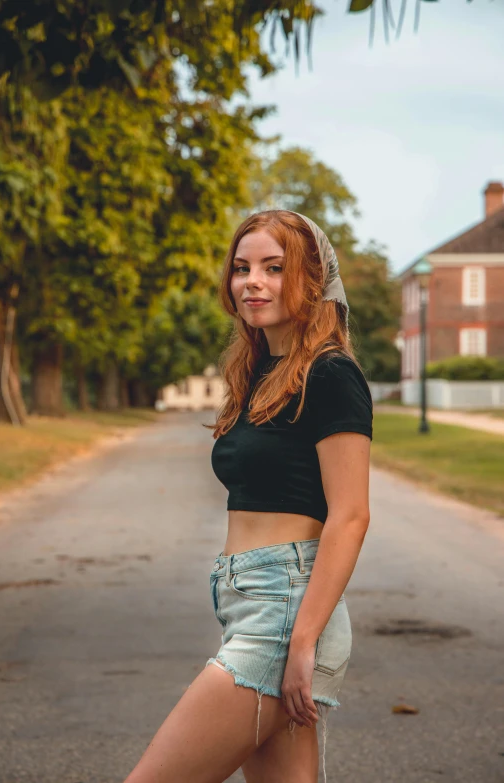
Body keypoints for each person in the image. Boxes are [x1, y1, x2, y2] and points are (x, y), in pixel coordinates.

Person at [123, 210, 373, 783]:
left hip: (285, 610)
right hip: (249, 599)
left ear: (312, 278)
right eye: (241, 268)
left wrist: (302, 640)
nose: (251, 281)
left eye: (273, 268)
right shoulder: (263, 372)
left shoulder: (330, 373)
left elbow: (351, 514)